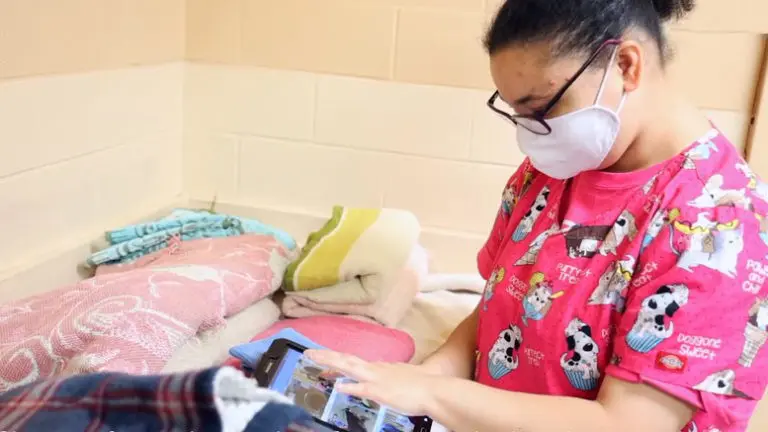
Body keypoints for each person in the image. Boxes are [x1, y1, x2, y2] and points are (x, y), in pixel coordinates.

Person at [307, 0, 768, 430]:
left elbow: (625, 423)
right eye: (517, 114)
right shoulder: (553, 171)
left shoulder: (720, 223)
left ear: (626, 65)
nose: (533, 135)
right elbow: (494, 309)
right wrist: (419, 382)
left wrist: (432, 395)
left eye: (542, 109)